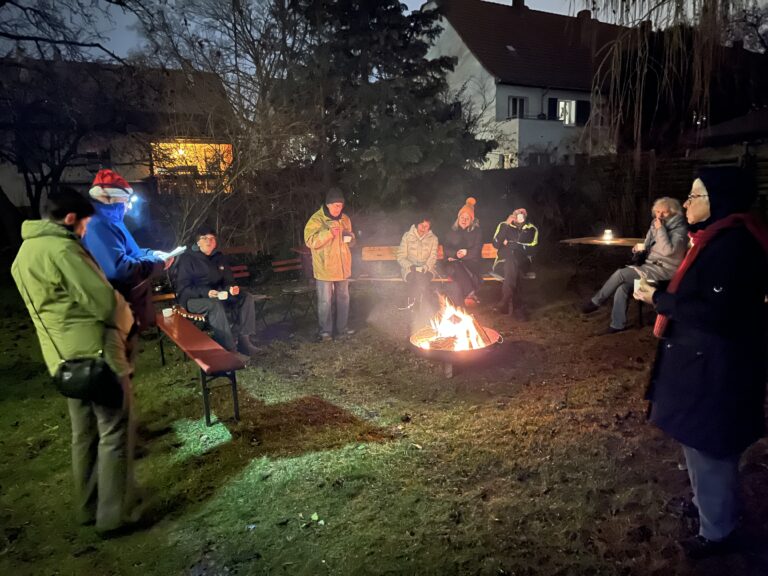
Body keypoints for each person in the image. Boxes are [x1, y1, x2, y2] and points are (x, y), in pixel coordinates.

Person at [634, 167, 768, 559]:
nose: (687, 202)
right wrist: (664, 292)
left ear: (718, 201)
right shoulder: (714, 238)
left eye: (695, 195)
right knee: (698, 442)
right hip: (703, 363)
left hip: (717, 368)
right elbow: (699, 294)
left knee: (711, 447)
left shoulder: (732, 245)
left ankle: (718, 532)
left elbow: (717, 312)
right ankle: (708, 507)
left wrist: (657, 300)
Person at [11, 188, 139, 535]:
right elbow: (104, 302)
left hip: (63, 362)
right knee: (113, 432)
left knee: (83, 435)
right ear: (70, 219)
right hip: (98, 357)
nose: (86, 231)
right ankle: (115, 516)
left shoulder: (23, 254)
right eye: (84, 224)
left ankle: (87, 506)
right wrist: (129, 326)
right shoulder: (64, 250)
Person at [82, 169, 173, 332]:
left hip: (128, 311)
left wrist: (152, 254)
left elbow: (131, 252)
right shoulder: (97, 225)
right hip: (116, 314)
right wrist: (157, 263)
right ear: (111, 197)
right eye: (125, 200)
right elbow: (120, 269)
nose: (128, 206)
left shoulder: (112, 221)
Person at [581, 197, 687, 333]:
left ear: (673, 213)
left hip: (665, 272)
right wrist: (640, 247)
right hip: (650, 267)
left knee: (621, 274)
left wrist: (660, 230)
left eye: (664, 213)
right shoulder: (656, 225)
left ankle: (596, 302)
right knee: (622, 288)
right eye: (658, 212)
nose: (659, 216)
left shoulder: (680, 231)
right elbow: (649, 244)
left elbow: (668, 251)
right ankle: (617, 325)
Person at [174, 226, 261, 355]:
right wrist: (206, 292)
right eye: (204, 238)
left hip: (217, 295)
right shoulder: (188, 259)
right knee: (214, 304)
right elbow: (183, 288)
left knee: (246, 297)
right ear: (198, 242)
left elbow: (228, 281)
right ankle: (229, 349)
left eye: (212, 238)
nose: (209, 241)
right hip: (192, 299)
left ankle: (244, 341)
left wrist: (231, 289)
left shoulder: (219, 257)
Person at [304, 187, 356, 341]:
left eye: (340, 205)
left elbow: (350, 242)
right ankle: (325, 332)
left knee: (343, 298)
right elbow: (310, 241)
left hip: (342, 267)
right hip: (325, 267)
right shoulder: (316, 220)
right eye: (335, 205)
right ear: (328, 205)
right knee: (325, 301)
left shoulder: (345, 219)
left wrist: (351, 238)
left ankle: (342, 329)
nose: (338, 208)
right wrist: (328, 234)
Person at [491, 208, 538, 317]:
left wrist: (515, 245)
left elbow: (533, 249)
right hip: (502, 264)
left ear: (525, 216)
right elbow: (496, 244)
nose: (519, 215)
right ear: (513, 215)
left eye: (522, 214)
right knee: (513, 267)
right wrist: (506, 224)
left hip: (523, 263)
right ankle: (519, 309)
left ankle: (505, 302)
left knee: (514, 265)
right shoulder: (504, 225)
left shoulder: (531, 229)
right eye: (516, 213)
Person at [442, 197, 482, 305]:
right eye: (462, 217)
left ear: (471, 220)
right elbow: (446, 248)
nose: (464, 220)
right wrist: (455, 254)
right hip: (452, 263)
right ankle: (470, 293)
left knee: (456, 280)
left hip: (469, 264)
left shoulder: (477, 232)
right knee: (455, 265)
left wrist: (466, 253)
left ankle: (458, 307)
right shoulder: (451, 231)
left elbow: (477, 250)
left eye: (467, 218)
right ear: (458, 218)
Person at [396, 215, 439, 309]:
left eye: (426, 226)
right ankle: (424, 303)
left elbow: (433, 257)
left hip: (427, 269)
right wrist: (410, 266)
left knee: (420, 277)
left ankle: (411, 302)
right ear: (416, 224)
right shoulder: (407, 236)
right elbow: (400, 256)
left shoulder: (433, 238)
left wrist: (426, 267)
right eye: (421, 224)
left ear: (430, 228)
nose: (423, 228)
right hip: (409, 268)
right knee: (416, 277)